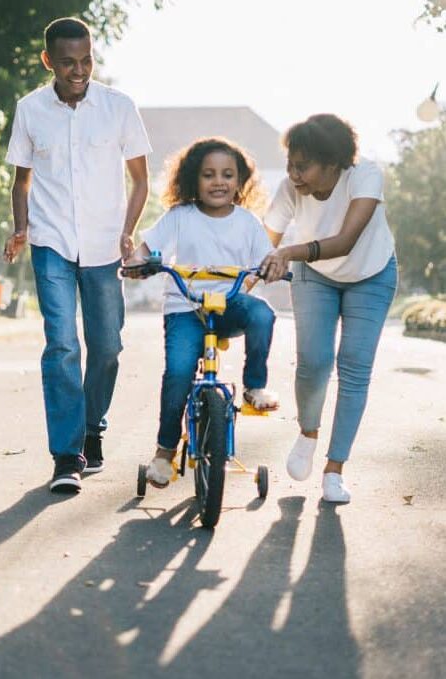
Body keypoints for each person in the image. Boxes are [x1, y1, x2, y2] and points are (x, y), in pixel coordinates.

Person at [3, 16, 151, 494]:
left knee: (107, 346)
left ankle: (93, 429)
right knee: (63, 344)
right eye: (68, 62)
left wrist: (128, 232)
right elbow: (21, 181)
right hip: (51, 244)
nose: (79, 70)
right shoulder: (29, 110)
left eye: (86, 60)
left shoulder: (118, 107)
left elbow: (140, 179)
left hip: (105, 245)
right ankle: (66, 455)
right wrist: (22, 228)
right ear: (48, 61)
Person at [125, 137, 279, 488]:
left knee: (262, 314)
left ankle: (255, 386)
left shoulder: (248, 222)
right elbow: (146, 249)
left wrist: (271, 267)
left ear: (240, 181)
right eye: (208, 174)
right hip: (185, 308)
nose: (219, 182)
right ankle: (164, 452)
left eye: (228, 174)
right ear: (194, 179)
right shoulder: (180, 217)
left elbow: (265, 260)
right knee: (179, 373)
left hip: (228, 305)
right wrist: (138, 262)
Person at [260, 114, 397, 504]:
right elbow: (262, 244)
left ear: (333, 163)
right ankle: (308, 433)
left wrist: (288, 252)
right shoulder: (291, 189)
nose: (293, 174)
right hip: (315, 276)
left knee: (354, 366)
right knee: (314, 362)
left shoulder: (364, 176)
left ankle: (334, 470)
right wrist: (242, 280)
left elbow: (346, 241)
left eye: (302, 166)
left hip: (371, 273)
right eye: (290, 164)